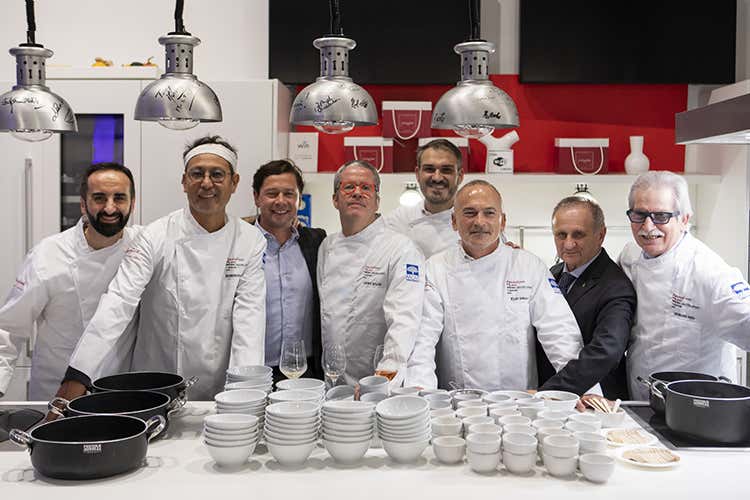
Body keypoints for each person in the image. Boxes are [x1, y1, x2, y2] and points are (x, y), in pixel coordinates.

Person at [58, 135, 267, 401]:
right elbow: (119, 302)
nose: (206, 183)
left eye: (217, 174)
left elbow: (250, 322)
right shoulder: (155, 235)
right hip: (154, 386)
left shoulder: (249, 241)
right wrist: (77, 376)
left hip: (220, 389)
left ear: (234, 182)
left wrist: (245, 397)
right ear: (184, 181)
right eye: (197, 174)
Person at [407, 180, 593, 392]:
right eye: (469, 213)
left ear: (502, 221)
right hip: (459, 400)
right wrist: (420, 393)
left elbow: (560, 333)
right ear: (454, 221)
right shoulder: (435, 269)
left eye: (489, 213)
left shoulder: (528, 266)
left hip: (519, 400)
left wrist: (585, 389)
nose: (479, 222)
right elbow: (422, 340)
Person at [0, 163, 140, 401]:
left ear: (132, 203)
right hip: (55, 392)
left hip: (119, 393)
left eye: (119, 198)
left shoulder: (142, 247)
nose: (110, 208)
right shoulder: (48, 254)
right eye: (99, 198)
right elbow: (9, 329)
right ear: (83, 204)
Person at [620, 171, 750, 400]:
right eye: (639, 215)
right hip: (642, 399)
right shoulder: (630, 256)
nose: (648, 227)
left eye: (661, 216)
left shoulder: (708, 271)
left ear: (684, 219)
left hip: (701, 405)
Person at [317, 160, 425, 387]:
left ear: (377, 201)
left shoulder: (401, 249)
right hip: (332, 383)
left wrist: (383, 380)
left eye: (366, 187)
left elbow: (404, 322)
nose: (357, 192)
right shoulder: (327, 246)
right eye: (349, 187)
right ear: (335, 199)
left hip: (379, 383)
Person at [536, 196, 636, 401]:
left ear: (601, 235)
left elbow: (606, 352)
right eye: (561, 234)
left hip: (592, 399)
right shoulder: (553, 273)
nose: (568, 244)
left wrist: (551, 390)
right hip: (551, 399)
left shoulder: (616, 286)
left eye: (578, 234)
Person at [248, 160, 325, 382]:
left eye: (289, 194)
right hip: (254, 370)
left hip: (306, 371)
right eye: (272, 193)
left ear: (299, 199)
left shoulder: (316, 242)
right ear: (256, 197)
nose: (281, 201)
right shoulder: (240, 242)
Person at [383, 139, 463, 258]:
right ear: (417, 174)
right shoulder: (397, 221)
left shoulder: (472, 222)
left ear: (460, 176)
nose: (437, 178)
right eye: (429, 169)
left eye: (446, 170)